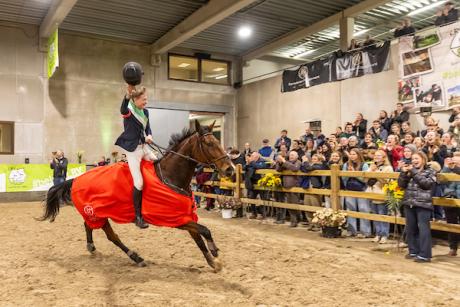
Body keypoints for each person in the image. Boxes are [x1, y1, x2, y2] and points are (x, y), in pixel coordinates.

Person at [115, 85, 155, 229]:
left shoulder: (146, 112)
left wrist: (149, 135)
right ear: (136, 99)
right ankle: (138, 217)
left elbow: (148, 128)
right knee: (139, 183)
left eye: (146, 98)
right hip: (132, 151)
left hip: (144, 147)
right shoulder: (129, 112)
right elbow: (123, 109)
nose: (146, 101)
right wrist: (127, 96)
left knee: (159, 163)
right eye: (144, 99)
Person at [398, 151, 437, 263]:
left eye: (417, 159)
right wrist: (403, 174)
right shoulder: (410, 172)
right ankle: (413, 251)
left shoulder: (431, 171)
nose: (414, 161)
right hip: (409, 202)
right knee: (410, 229)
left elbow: (426, 184)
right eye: (413, 159)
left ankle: (425, 255)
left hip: (423, 204)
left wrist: (413, 172)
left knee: (424, 229)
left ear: (423, 159)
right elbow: (401, 185)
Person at [342, 148, 371, 237]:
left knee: (363, 209)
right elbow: (343, 178)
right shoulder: (346, 164)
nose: (352, 156)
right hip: (350, 189)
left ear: (358, 155)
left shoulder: (364, 165)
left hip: (362, 190)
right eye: (350, 154)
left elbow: (365, 179)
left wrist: (354, 173)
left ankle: (365, 232)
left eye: (354, 154)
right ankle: (352, 230)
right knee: (350, 210)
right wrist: (348, 175)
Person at [367, 150, 394, 244]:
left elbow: (387, 181)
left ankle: (384, 235)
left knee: (383, 216)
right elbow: (365, 177)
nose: (376, 157)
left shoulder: (388, 168)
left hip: (382, 193)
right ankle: (378, 234)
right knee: (375, 215)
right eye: (375, 155)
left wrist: (375, 172)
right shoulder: (371, 166)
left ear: (384, 158)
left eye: (379, 156)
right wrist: (371, 170)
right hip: (372, 193)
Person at [275, 151, 301, 227]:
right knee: (289, 204)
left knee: (294, 203)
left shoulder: (298, 162)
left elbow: (294, 168)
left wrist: (284, 161)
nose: (291, 156)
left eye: (293, 155)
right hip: (286, 186)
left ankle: (295, 220)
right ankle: (295, 220)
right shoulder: (287, 162)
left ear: (297, 156)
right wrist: (279, 162)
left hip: (295, 186)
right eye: (290, 155)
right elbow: (278, 169)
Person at [441, 153, 460, 257]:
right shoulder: (447, 170)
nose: (455, 164)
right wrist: (446, 167)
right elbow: (440, 180)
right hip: (450, 200)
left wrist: (454, 167)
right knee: (451, 225)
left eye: (458, 163)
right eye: (453, 162)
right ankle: (453, 248)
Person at [245, 152, 269, 219]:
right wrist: (247, 163)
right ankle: (254, 213)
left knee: (263, 199)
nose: (251, 157)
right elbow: (244, 168)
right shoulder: (252, 162)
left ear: (257, 156)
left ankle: (263, 214)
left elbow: (260, 167)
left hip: (261, 183)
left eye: (252, 156)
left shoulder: (263, 161)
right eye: (251, 156)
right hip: (253, 183)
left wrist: (251, 162)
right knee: (252, 198)